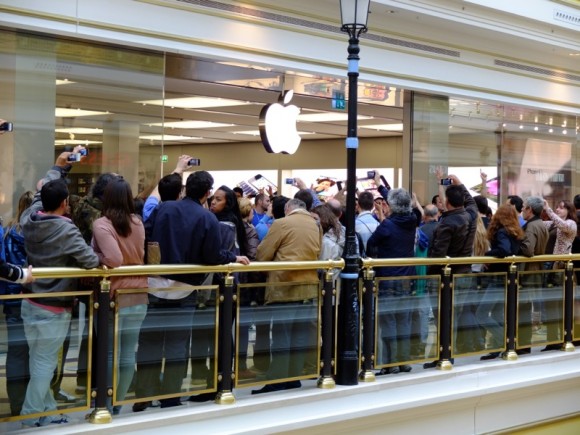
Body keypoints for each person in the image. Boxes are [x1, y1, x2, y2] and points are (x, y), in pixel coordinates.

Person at [133, 171, 249, 411]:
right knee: (177, 344)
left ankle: (143, 393)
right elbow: (212, 256)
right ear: (207, 193)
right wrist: (232, 256)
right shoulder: (206, 218)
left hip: (155, 283)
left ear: (185, 188)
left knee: (149, 342)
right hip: (186, 287)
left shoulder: (164, 209)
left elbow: (147, 235)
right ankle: (171, 396)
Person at [19, 151, 100, 428]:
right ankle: (30, 415)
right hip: (54, 307)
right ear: (66, 203)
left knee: (38, 360)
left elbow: (42, 195)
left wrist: (57, 168)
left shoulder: (29, 217)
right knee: (44, 364)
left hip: (29, 301)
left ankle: (48, 411)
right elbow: (90, 261)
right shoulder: (67, 231)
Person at [252, 198, 321, 394]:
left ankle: (277, 380)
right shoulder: (315, 224)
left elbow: (263, 254)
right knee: (299, 335)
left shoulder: (282, 223)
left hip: (284, 286)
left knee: (281, 336)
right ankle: (293, 377)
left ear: (288, 209)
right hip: (308, 286)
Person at [91, 178, 148, 415]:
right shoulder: (138, 222)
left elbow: (113, 260)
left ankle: (106, 404)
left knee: (108, 353)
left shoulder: (102, 224)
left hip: (113, 295)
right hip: (138, 293)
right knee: (126, 354)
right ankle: (117, 402)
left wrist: (95, 258)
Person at [424, 174, 478, 369]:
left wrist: (430, 271)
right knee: (453, 315)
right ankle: (448, 354)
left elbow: (439, 254)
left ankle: (445, 355)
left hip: (446, 277)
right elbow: (471, 202)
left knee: (442, 317)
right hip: (464, 273)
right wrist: (461, 183)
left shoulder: (448, 223)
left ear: (446, 203)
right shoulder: (470, 216)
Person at [367, 188, 417, 374]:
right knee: (403, 321)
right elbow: (405, 203)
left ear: (392, 206)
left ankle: (389, 363)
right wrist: (382, 188)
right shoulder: (412, 220)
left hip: (387, 279)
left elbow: (371, 243)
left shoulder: (387, 225)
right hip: (406, 278)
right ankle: (403, 361)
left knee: (388, 322)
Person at [0, 191, 33, 415]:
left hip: (11, 297)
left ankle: (17, 402)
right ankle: (33, 402)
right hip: (34, 297)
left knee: (16, 351)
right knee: (38, 353)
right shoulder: (35, 232)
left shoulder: (8, 230)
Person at [478, 204, 524, 360]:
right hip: (507, 277)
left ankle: (505, 340)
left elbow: (504, 250)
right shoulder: (515, 232)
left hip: (497, 278)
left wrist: (488, 255)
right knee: (497, 313)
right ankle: (502, 345)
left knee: (481, 314)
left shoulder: (502, 232)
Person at [540, 198, 577, 351]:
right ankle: (552, 340)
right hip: (549, 267)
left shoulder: (571, 224)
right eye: (557, 207)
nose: (558, 210)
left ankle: (564, 337)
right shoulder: (553, 223)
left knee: (560, 305)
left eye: (562, 208)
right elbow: (540, 225)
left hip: (561, 269)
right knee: (549, 306)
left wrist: (548, 209)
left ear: (569, 210)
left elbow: (563, 225)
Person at [518, 195, 549, 354]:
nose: (522, 209)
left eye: (524, 206)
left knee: (523, 308)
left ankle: (523, 345)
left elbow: (528, 250)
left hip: (528, 271)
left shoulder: (531, 226)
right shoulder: (541, 224)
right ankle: (524, 344)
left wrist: (518, 244)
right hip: (537, 270)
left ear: (530, 209)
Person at [142, 155, 190, 222]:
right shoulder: (185, 216)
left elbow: (155, 193)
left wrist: (178, 169)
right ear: (179, 195)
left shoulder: (151, 210)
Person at [355, 191, 379, 255]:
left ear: (358, 205)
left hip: (360, 262)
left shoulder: (354, 225)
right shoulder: (378, 224)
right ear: (373, 206)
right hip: (375, 262)